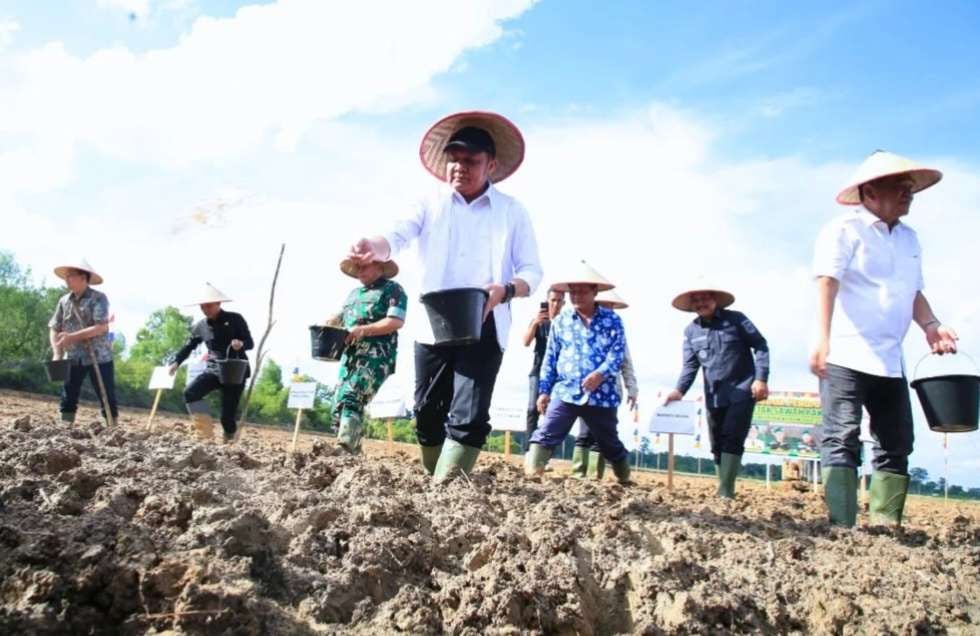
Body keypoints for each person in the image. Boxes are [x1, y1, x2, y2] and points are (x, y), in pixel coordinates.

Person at [347, 111, 542, 481]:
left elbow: (532, 270)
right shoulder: (428, 204)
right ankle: (435, 472)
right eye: (454, 159)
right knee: (427, 412)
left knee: (469, 414)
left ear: (491, 164)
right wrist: (373, 246)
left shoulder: (512, 212)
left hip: (486, 321)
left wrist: (506, 290)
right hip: (433, 322)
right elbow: (397, 234)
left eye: (470, 160)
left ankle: (447, 490)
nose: (459, 167)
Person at [811, 150, 958, 527]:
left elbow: (913, 293)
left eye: (910, 188)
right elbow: (827, 281)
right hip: (845, 352)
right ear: (871, 191)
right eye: (900, 186)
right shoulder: (844, 230)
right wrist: (822, 339)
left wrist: (930, 325)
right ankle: (841, 526)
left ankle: (885, 525)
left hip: (890, 360)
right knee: (841, 435)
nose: (909, 193)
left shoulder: (910, 239)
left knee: (896, 440)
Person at [525, 261, 632, 485]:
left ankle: (624, 475)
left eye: (583, 291)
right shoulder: (561, 322)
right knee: (546, 432)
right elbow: (551, 357)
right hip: (566, 390)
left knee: (609, 442)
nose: (577, 296)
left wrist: (600, 374)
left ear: (595, 292)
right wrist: (544, 391)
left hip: (602, 395)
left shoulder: (612, 320)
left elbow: (617, 353)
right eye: (573, 291)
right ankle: (532, 473)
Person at [664, 280, 770, 499]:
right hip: (714, 395)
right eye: (696, 300)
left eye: (705, 298)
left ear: (715, 299)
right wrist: (679, 391)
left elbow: (760, 345)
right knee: (717, 442)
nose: (701, 303)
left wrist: (761, 379)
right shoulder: (691, 331)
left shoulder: (737, 320)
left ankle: (726, 491)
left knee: (733, 436)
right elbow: (690, 366)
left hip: (742, 389)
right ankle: (722, 484)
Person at [324, 258, 407, 453]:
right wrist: (330, 322)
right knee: (339, 401)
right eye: (357, 267)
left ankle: (344, 447)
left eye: (364, 266)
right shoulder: (354, 294)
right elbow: (342, 317)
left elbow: (395, 321)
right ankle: (352, 453)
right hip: (350, 355)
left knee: (353, 394)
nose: (359, 270)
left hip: (377, 354)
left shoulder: (393, 289)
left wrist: (363, 330)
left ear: (379, 266)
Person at [169, 283, 254, 444]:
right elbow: (189, 346)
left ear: (218, 304)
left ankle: (229, 444)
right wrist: (177, 361)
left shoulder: (235, 319)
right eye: (202, 306)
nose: (205, 309)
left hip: (235, 372)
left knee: (227, 417)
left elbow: (250, 342)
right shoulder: (201, 326)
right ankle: (205, 434)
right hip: (214, 370)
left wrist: (241, 344)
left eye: (208, 306)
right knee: (190, 392)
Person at [571, 288, 639, 480]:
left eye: (611, 306)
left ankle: (595, 475)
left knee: (605, 433)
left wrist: (631, 387)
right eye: (605, 305)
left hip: (609, 391)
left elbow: (626, 361)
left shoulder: (617, 330)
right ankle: (578, 473)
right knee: (585, 431)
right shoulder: (583, 328)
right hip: (585, 388)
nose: (609, 309)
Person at [48, 259, 118, 426]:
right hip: (73, 356)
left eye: (71, 276)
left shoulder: (98, 298)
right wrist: (57, 352)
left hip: (99, 356)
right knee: (68, 393)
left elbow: (101, 327)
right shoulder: (64, 301)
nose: (67, 280)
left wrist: (71, 337)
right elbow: (54, 327)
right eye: (66, 276)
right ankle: (65, 427)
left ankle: (112, 428)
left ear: (83, 278)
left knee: (106, 394)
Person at [522, 289, 565, 451]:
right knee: (533, 409)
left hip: (558, 375)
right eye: (553, 300)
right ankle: (529, 450)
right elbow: (525, 342)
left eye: (560, 301)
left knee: (553, 414)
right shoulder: (539, 321)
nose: (556, 304)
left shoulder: (565, 324)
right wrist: (535, 323)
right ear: (547, 301)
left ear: (564, 303)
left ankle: (545, 452)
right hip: (537, 371)